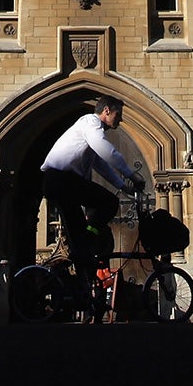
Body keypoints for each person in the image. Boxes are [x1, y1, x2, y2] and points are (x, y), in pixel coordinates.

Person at [40, 97, 142, 285]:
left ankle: (81, 289)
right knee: (109, 203)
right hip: (62, 180)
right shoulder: (89, 122)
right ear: (106, 111)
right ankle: (89, 235)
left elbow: (99, 163)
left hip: (61, 183)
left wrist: (122, 185)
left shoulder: (87, 133)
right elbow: (106, 151)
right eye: (117, 115)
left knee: (80, 244)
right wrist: (131, 175)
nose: (120, 120)